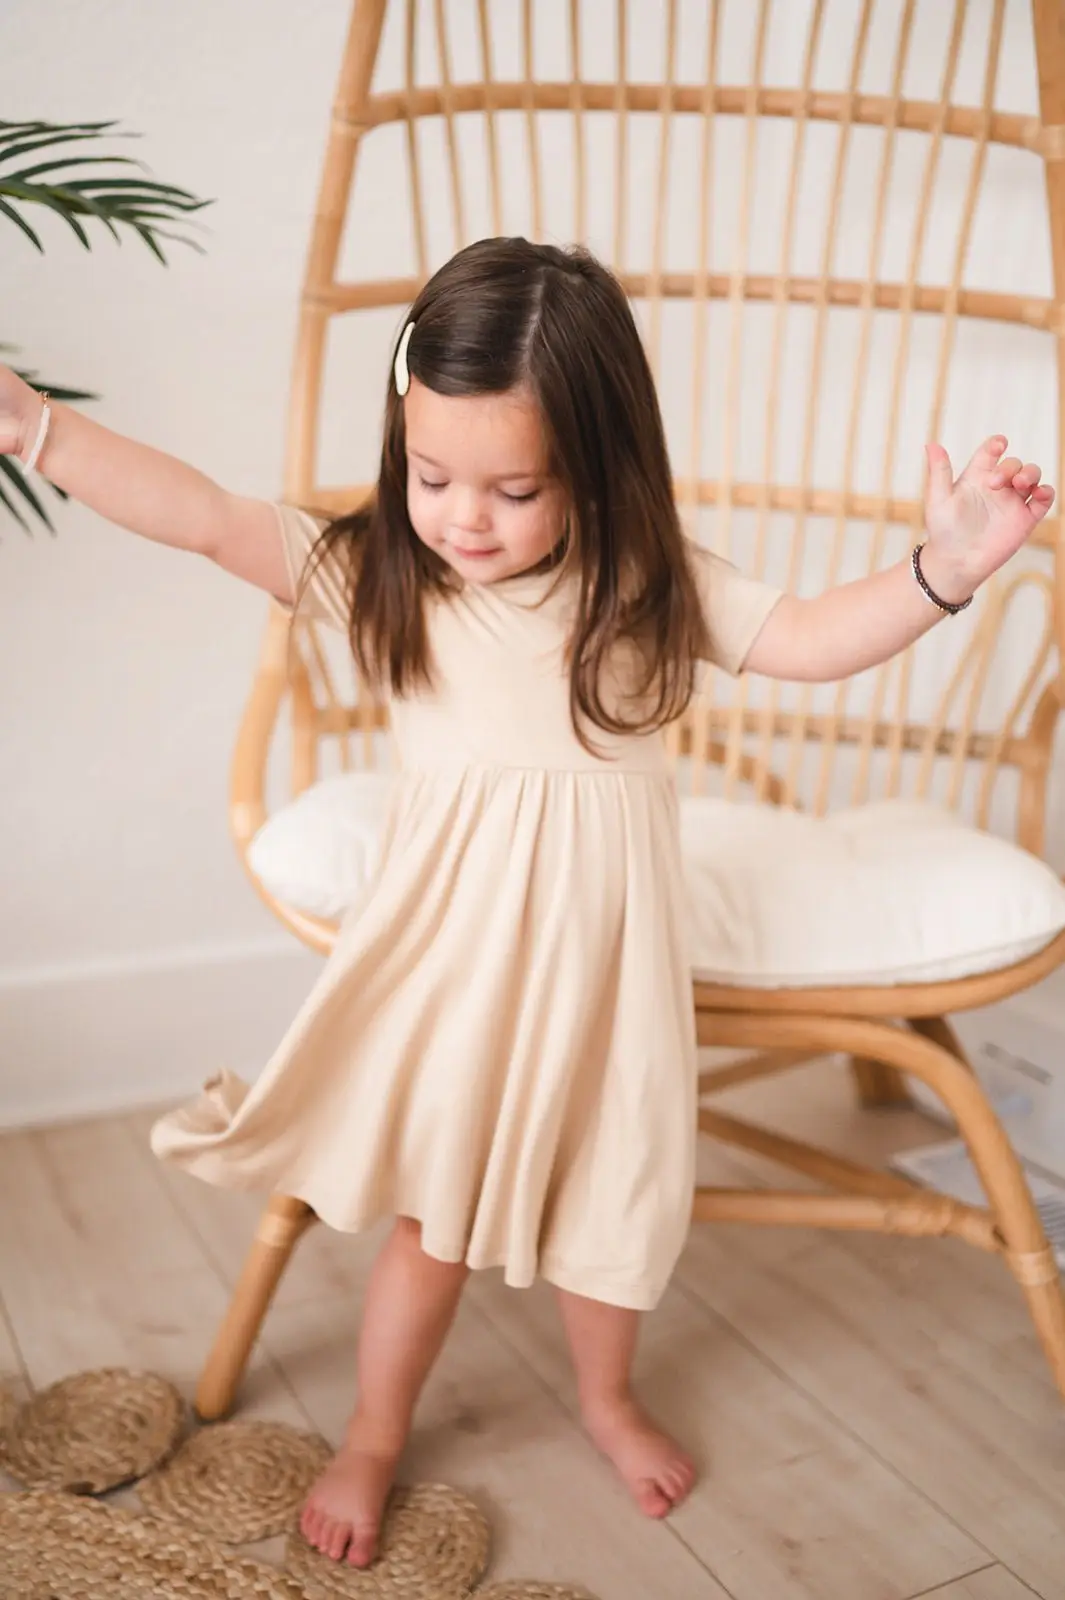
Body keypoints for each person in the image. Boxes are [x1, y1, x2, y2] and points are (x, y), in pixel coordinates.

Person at [1, 236, 1053, 1570]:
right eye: (434, 477)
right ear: (402, 442)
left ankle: (607, 1398)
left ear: (597, 466)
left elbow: (806, 640)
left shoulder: (650, 582)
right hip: (462, 979)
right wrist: (38, 431)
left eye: (513, 487)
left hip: (611, 981)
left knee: (617, 1211)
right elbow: (207, 514)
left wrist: (941, 571)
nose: (467, 518)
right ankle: (378, 1430)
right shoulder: (395, 575)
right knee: (434, 1226)